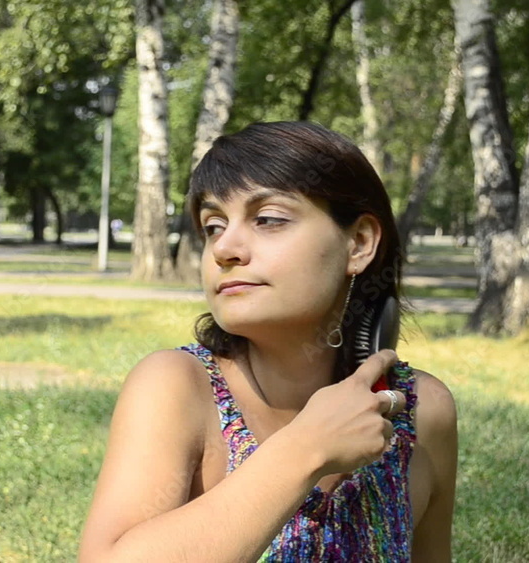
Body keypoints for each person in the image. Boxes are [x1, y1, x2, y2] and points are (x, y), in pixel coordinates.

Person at [77, 121, 458, 562]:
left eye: (268, 219)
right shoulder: (177, 386)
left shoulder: (421, 410)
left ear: (358, 243)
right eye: (214, 225)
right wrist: (305, 448)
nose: (224, 249)